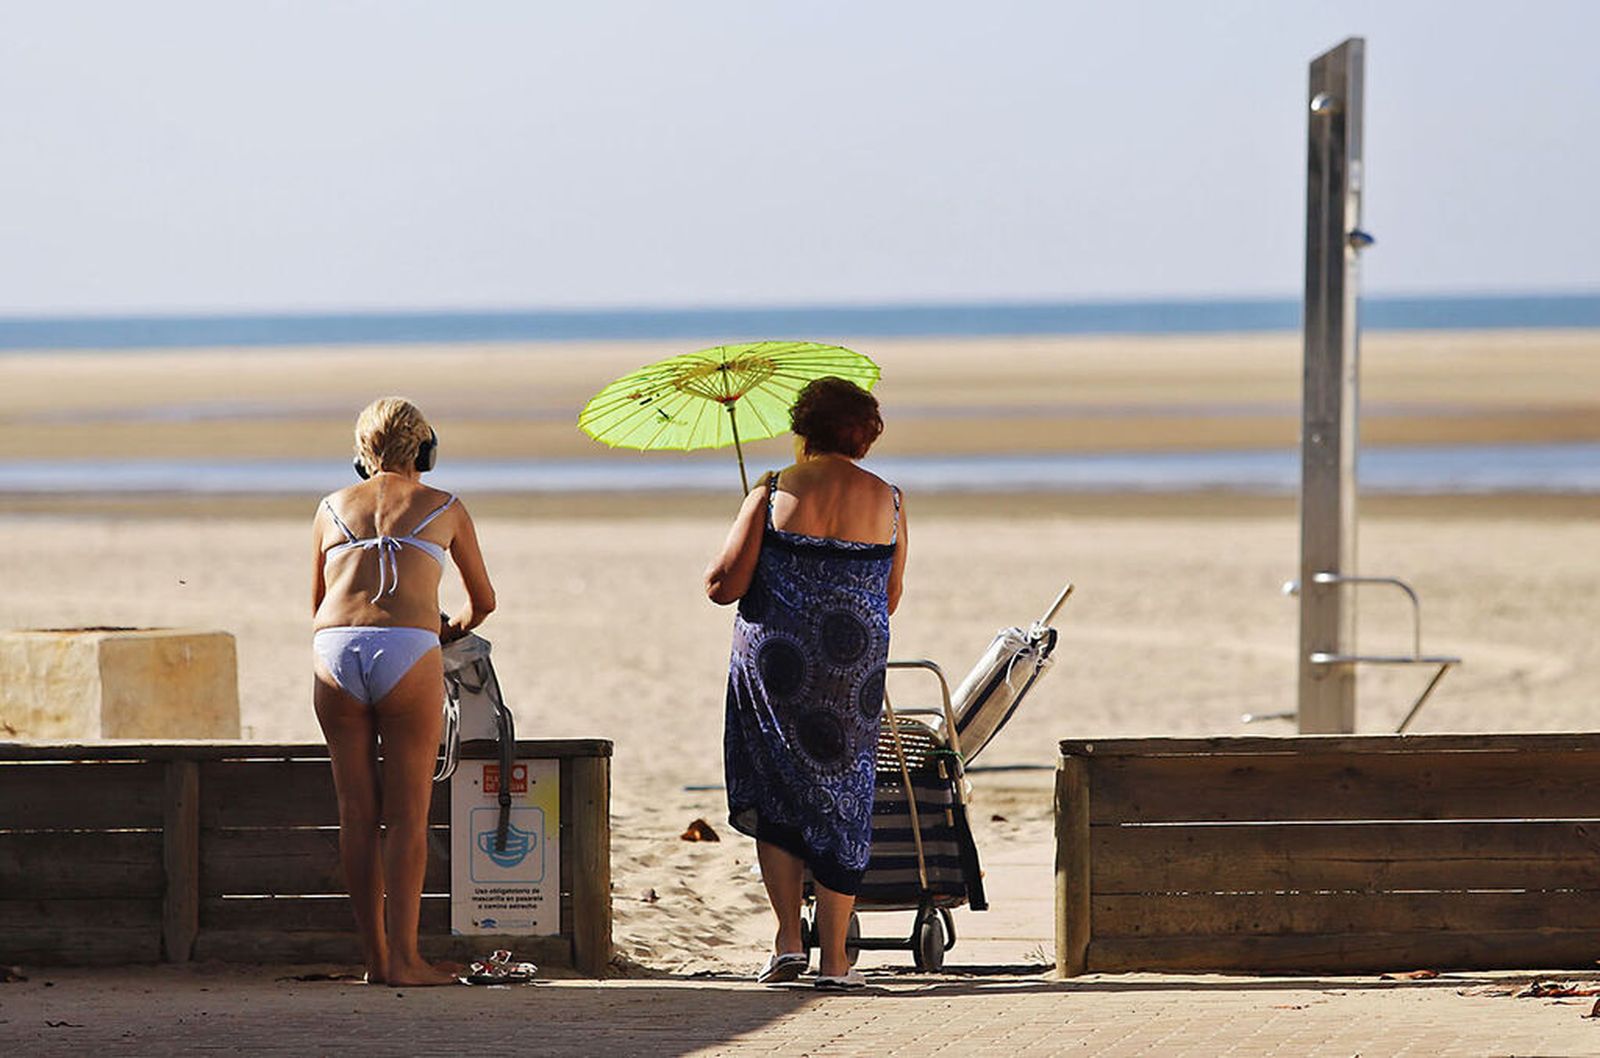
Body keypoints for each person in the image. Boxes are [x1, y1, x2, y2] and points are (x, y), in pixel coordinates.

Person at [704, 376, 907, 991]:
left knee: (775, 788)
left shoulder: (770, 490)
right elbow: (889, 597)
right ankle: (837, 959)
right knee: (844, 788)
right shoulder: (891, 499)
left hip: (777, 664)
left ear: (803, 428)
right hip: (851, 665)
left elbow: (723, 588)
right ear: (864, 433)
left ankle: (789, 940)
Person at [312, 397, 496, 986]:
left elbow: (317, 603)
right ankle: (407, 960)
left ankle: (374, 960)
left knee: (356, 814)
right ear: (426, 451)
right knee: (407, 816)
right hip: (408, 651)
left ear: (361, 456)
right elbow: (483, 601)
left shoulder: (330, 507)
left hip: (335, 651)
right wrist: (446, 629)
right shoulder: (445, 505)